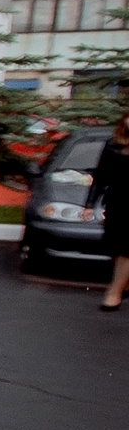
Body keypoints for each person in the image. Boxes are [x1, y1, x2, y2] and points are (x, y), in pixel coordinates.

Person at [96, 113, 129, 311]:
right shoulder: (112, 145)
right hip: (116, 203)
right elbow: (101, 176)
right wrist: (90, 204)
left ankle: (113, 293)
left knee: (127, 249)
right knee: (114, 246)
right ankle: (124, 284)